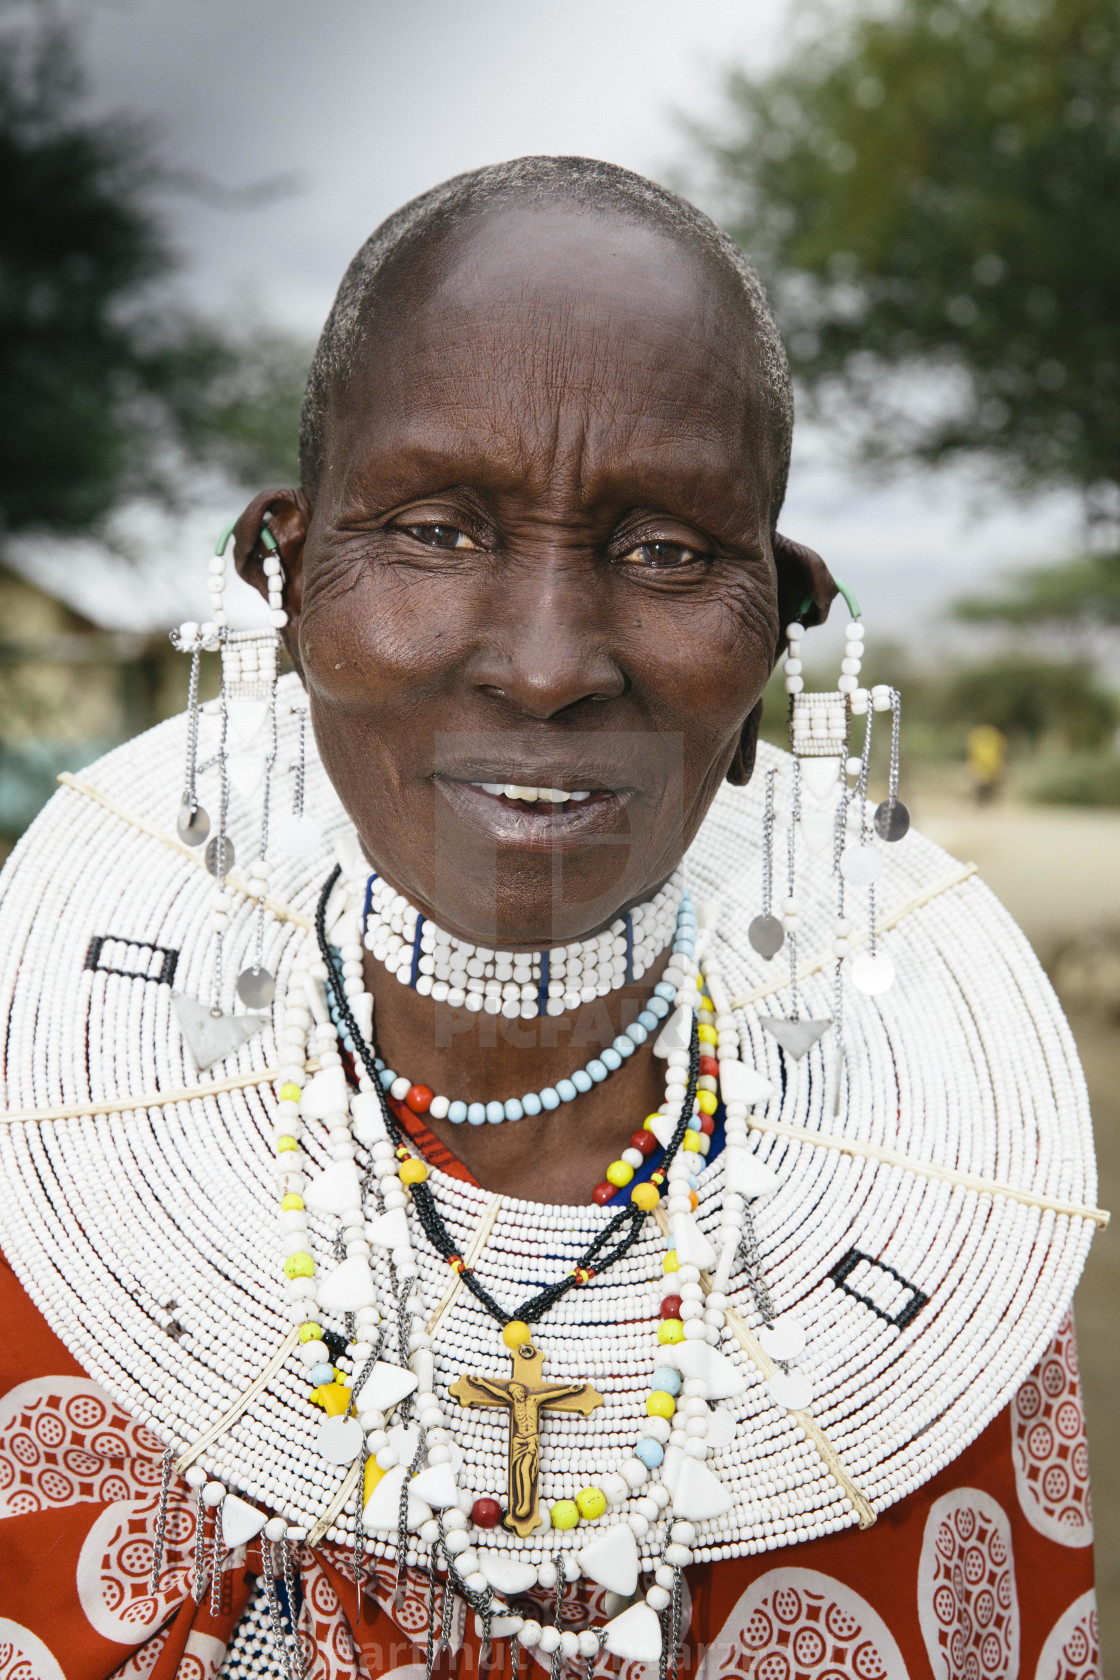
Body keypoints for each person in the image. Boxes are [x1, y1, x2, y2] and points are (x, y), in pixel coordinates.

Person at [0, 159, 1100, 1680]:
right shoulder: (29, 1178)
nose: (546, 663)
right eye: (440, 530)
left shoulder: (953, 1243)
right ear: (288, 571)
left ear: (780, 623)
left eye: (665, 552)